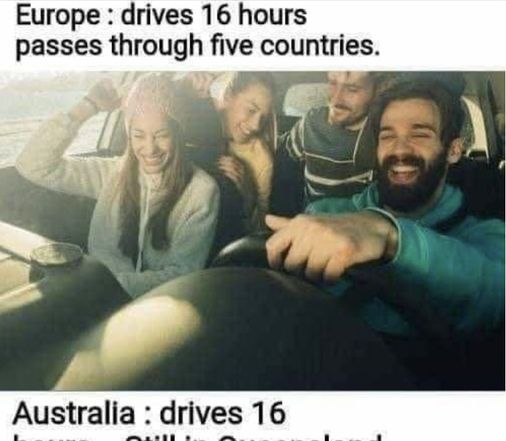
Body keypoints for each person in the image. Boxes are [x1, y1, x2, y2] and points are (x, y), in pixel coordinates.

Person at [266, 81, 505, 384]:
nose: (400, 149)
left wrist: (388, 236)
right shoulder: (325, 215)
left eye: (419, 134)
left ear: (453, 150)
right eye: (387, 135)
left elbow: (495, 295)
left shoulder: (484, 232)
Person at [16, 74, 220, 298]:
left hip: (156, 309)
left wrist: (96, 289)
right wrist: (88, 107)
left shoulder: (201, 191)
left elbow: (181, 275)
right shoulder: (112, 173)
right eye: (138, 136)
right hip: (95, 299)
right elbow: (32, 164)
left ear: (178, 134)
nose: (150, 149)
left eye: (162, 135)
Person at [175, 71, 276, 243]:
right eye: (251, 110)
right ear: (227, 97)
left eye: (263, 117)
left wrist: (247, 195)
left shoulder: (261, 158)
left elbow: (261, 233)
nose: (256, 125)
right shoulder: (194, 113)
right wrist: (180, 86)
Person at [272, 72, 389, 214]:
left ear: (377, 92)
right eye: (333, 83)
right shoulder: (311, 123)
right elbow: (280, 155)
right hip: (308, 222)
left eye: (352, 89)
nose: (336, 98)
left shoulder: (382, 135)